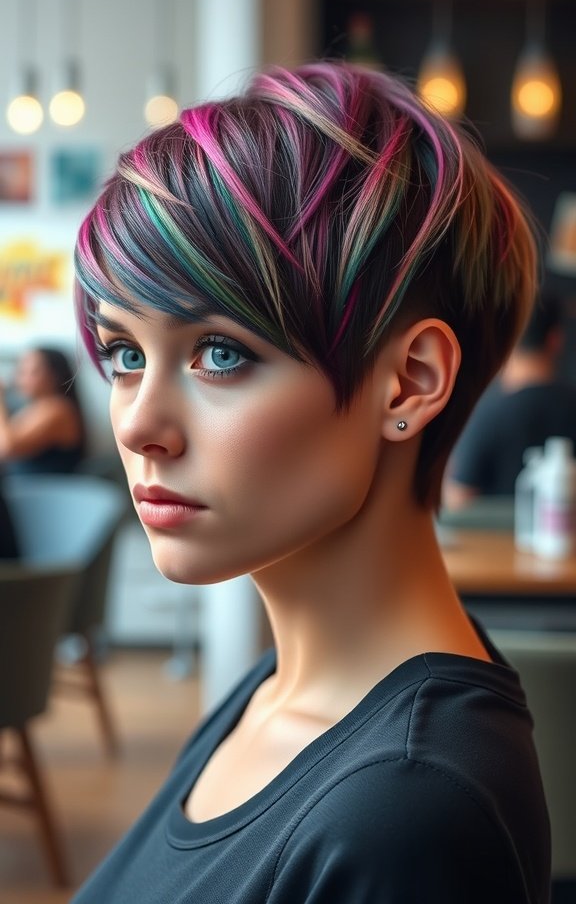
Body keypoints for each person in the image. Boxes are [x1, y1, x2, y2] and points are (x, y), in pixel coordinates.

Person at [71, 62, 550, 903]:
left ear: (407, 382)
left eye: (221, 353)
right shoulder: (285, 691)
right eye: (125, 355)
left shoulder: (406, 813)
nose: (139, 424)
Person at [443, 291, 576, 508]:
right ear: (555, 339)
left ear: (505, 338)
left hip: (493, 541)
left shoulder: (486, 413)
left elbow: (457, 502)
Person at [0, 346, 86, 475]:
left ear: (55, 376)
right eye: (21, 371)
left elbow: (7, 449)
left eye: (31, 372)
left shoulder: (58, 408)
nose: (20, 378)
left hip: (45, 486)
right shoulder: (34, 406)